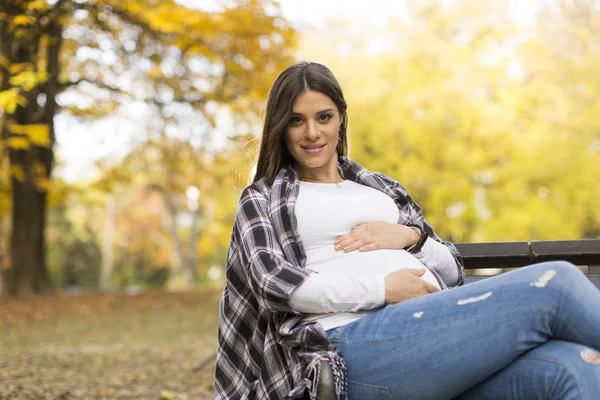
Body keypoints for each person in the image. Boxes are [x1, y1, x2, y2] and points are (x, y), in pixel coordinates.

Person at [214, 61, 600, 400]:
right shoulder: (263, 198)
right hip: (349, 345)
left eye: (324, 117)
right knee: (557, 283)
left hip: (432, 335)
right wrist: (383, 289)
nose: (312, 132)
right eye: (297, 120)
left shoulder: (380, 187)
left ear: (342, 118)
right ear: (280, 127)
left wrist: (413, 240)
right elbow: (274, 284)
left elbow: (452, 270)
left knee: (573, 367)